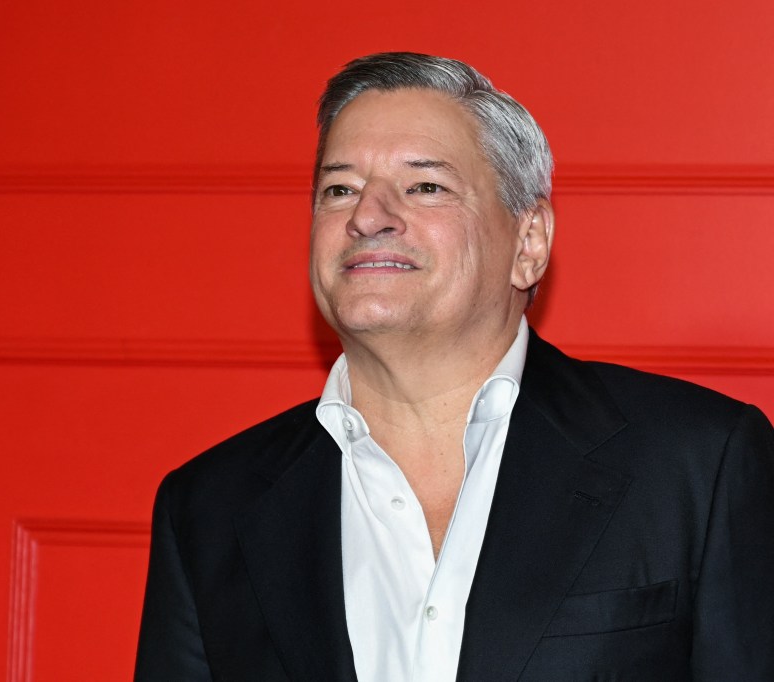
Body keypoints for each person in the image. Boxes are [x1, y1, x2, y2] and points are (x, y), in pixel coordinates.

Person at [134, 52, 774, 681]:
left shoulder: (698, 464)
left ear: (528, 244)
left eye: (424, 186)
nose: (366, 217)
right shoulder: (210, 506)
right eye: (339, 189)